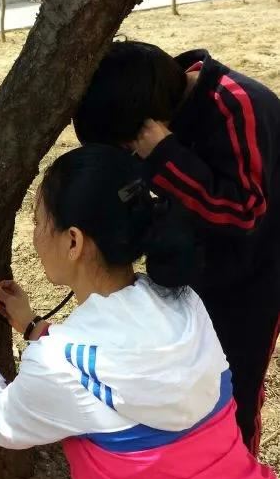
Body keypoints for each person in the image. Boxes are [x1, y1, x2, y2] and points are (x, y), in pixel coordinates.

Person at [0, 145, 280, 479]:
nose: (35, 232)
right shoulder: (185, 303)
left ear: (74, 241)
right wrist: (33, 328)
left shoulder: (62, 361)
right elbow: (118, 366)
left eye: (39, 220)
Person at [73, 41, 280, 455]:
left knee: (235, 384)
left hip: (259, 270)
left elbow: (245, 212)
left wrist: (167, 156)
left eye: (128, 148)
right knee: (196, 379)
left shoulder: (236, 106)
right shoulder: (166, 104)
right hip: (208, 261)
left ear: (146, 127)